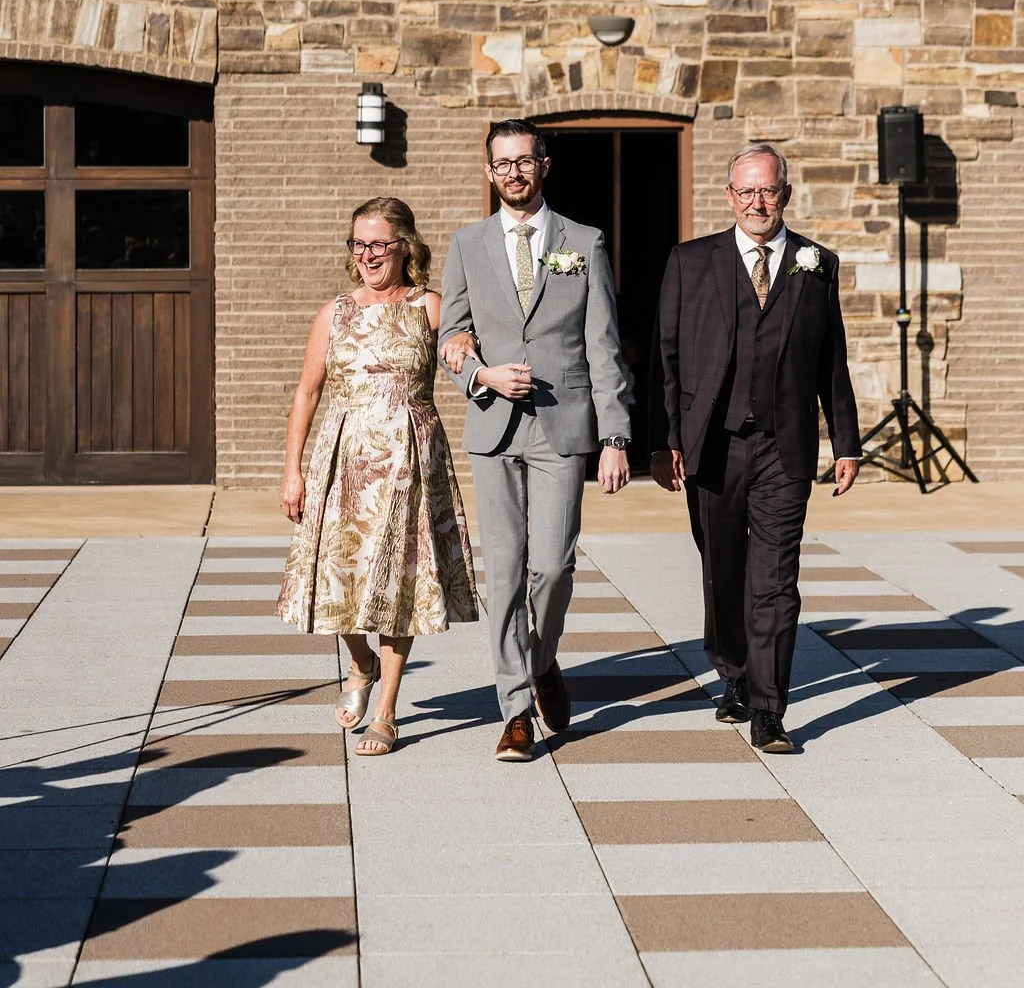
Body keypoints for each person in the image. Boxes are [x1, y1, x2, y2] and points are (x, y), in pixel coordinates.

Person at [649, 142, 861, 753]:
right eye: (747, 192)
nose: (758, 202)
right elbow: (666, 357)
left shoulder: (816, 264)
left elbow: (832, 362)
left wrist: (844, 441)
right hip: (712, 444)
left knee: (775, 580)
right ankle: (734, 671)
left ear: (786, 195)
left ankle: (770, 708)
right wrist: (666, 442)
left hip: (785, 447)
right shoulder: (692, 261)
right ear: (729, 197)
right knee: (723, 570)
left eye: (768, 191)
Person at [438, 118, 631, 762]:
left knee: (551, 565)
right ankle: (515, 707)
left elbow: (603, 346)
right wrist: (479, 373)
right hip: (493, 427)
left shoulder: (585, 242)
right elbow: (451, 339)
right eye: (502, 164)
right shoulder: (467, 244)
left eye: (525, 161)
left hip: (563, 427)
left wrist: (616, 435)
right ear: (489, 172)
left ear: (543, 166)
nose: (513, 173)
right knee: (503, 576)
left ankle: (542, 658)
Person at [276, 196, 478, 757]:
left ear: (405, 246)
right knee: (338, 576)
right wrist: (293, 471)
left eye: (379, 244)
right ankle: (360, 664)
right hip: (341, 459)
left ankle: (386, 711)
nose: (367, 255)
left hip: (410, 462)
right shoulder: (333, 313)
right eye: (358, 244)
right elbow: (308, 391)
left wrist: (467, 343)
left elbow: (469, 358)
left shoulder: (430, 307)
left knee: (398, 583)